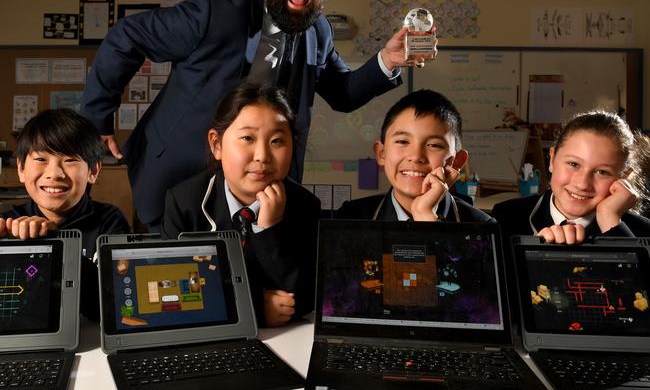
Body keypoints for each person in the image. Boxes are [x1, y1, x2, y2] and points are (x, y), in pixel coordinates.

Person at [80, 0, 423, 230]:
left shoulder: (319, 31)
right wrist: (96, 117)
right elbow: (127, 36)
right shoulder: (214, 13)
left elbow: (343, 93)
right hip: (177, 176)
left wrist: (387, 60)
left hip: (262, 188)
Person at [162, 83, 320, 328]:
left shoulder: (305, 206)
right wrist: (254, 308)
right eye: (247, 138)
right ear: (217, 145)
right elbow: (174, 298)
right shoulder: (185, 203)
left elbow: (307, 297)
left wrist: (269, 230)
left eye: (277, 140)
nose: (262, 156)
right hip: (210, 342)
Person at [0, 109, 129, 320]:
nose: (54, 173)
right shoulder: (9, 225)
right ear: (21, 169)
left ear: (93, 171)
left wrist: (57, 242)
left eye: (70, 160)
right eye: (41, 159)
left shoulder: (110, 221)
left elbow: (114, 304)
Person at [492, 110, 650, 244]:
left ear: (625, 177)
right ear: (552, 159)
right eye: (573, 164)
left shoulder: (641, 231)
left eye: (602, 172)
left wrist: (610, 220)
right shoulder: (506, 217)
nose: (582, 184)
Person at [337, 89, 494, 223]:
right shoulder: (350, 218)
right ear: (381, 153)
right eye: (403, 141)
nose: (416, 156)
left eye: (434, 145)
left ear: (457, 161)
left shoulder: (483, 227)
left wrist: (425, 215)